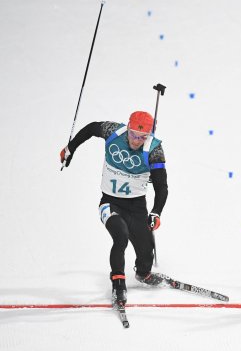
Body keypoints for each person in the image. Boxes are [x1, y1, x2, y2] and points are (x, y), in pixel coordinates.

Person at [60, 111, 168, 307]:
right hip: (110, 202)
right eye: (134, 134)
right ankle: (118, 283)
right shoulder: (114, 131)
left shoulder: (154, 150)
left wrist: (156, 212)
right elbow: (92, 128)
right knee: (121, 235)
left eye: (142, 137)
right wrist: (71, 147)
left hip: (137, 207)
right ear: (128, 127)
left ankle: (143, 274)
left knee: (146, 253)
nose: (136, 140)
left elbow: (162, 187)